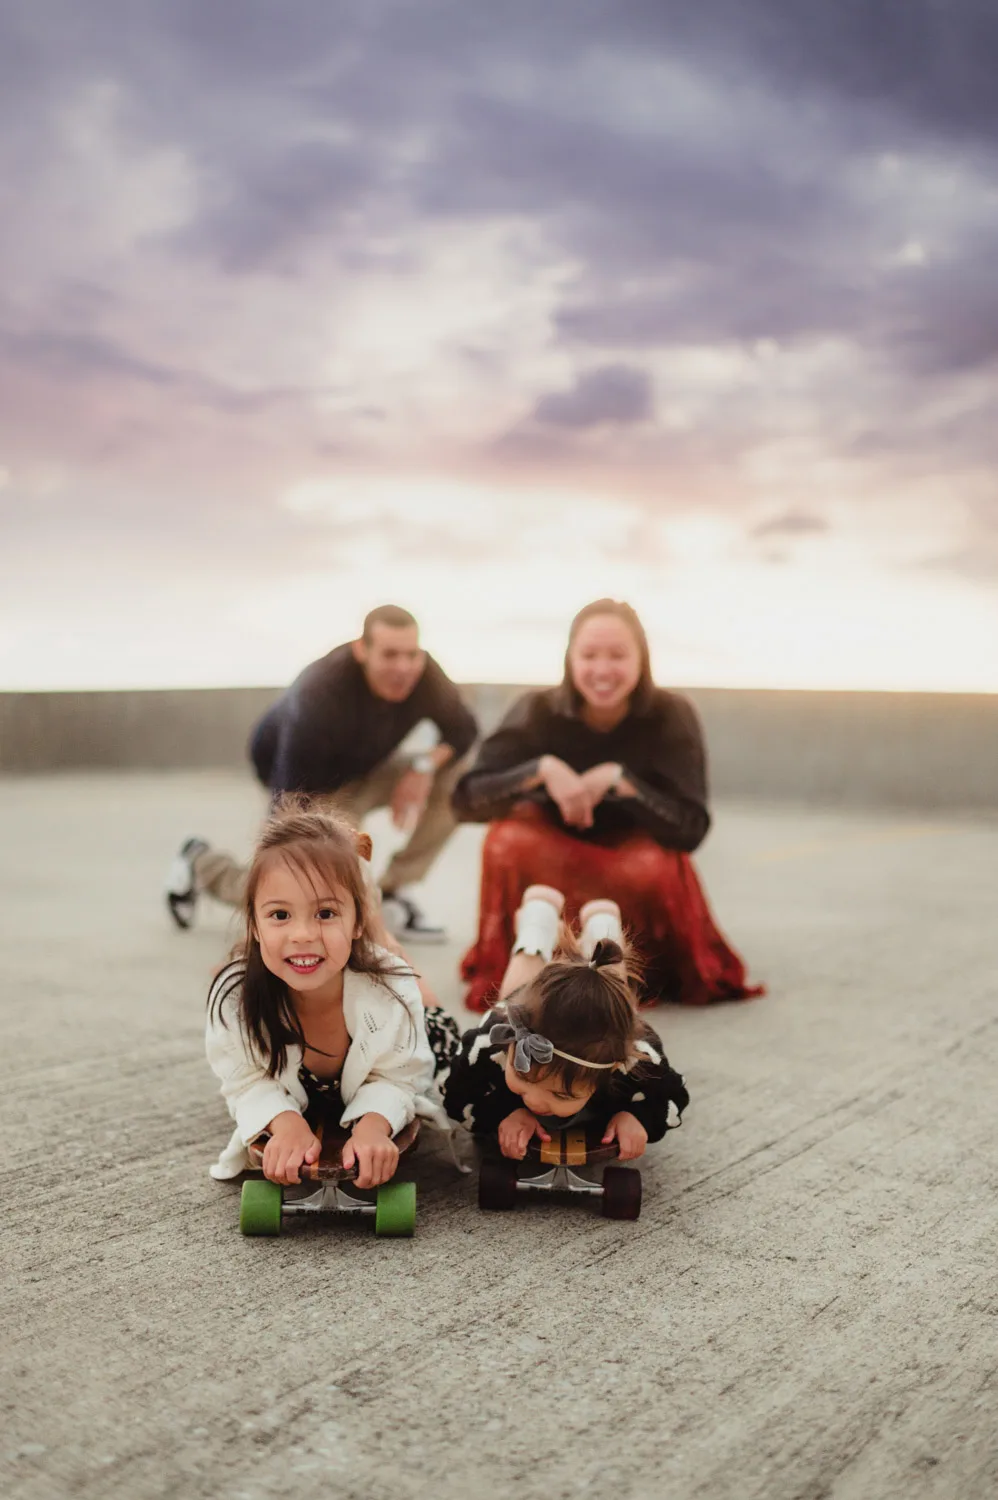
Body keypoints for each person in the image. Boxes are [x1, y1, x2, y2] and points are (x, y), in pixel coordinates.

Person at [452, 597, 763, 1011]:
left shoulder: (671, 714)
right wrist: (542, 771)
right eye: (589, 654)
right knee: (506, 840)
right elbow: (466, 800)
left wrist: (622, 782)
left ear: (641, 659)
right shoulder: (537, 709)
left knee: (652, 863)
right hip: (551, 860)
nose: (602, 670)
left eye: (617, 655)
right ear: (570, 658)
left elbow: (690, 828)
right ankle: (533, 957)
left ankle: (629, 970)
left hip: (630, 860)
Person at [168, 604, 478, 942]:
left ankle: (393, 892)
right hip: (309, 786)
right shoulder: (319, 696)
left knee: (460, 781)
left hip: (370, 770)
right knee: (300, 884)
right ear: (362, 650)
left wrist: (423, 768)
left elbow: (464, 730)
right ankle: (202, 862)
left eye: (411, 654)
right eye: (390, 655)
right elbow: (284, 809)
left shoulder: (425, 673)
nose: (403, 667)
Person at [205, 802, 460, 1185]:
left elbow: (403, 1075)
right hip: (340, 971)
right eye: (279, 915)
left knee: (421, 1004)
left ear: (356, 922)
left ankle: (380, 934)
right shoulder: (235, 1000)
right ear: (254, 926)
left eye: (325, 913)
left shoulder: (390, 992)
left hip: (407, 1015)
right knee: (374, 963)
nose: (303, 934)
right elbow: (245, 1081)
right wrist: (285, 1123)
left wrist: (375, 1124)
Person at [444, 885, 689, 1158]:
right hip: (526, 1004)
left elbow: (671, 1097)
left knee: (610, 984)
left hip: (608, 1027)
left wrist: (638, 1118)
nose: (535, 1101)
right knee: (523, 971)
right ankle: (538, 925)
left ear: (612, 1070)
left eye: (561, 1095)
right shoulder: (490, 1042)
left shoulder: (638, 1059)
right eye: (522, 1073)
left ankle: (604, 932)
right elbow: (457, 1091)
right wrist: (503, 1113)